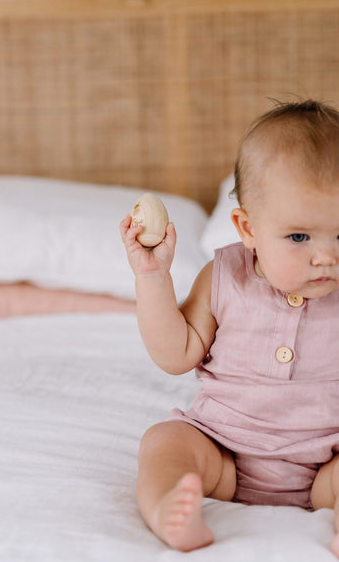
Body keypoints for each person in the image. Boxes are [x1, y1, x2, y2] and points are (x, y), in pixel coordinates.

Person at [120, 99, 339, 555]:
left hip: (326, 464)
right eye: (299, 237)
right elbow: (175, 353)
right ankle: (169, 509)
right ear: (248, 229)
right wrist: (153, 277)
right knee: (164, 441)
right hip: (225, 454)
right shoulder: (223, 278)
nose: (325, 256)